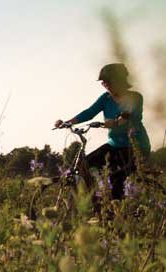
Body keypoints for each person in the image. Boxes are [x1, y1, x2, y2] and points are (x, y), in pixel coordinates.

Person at [54, 63, 151, 199]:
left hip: (136, 147)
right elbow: (89, 112)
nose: (105, 85)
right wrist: (68, 122)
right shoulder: (105, 98)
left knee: (117, 181)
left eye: (108, 82)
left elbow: (127, 115)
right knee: (84, 165)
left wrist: (115, 122)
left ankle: (115, 212)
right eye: (103, 83)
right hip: (114, 145)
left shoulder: (135, 97)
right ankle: (93, 201)